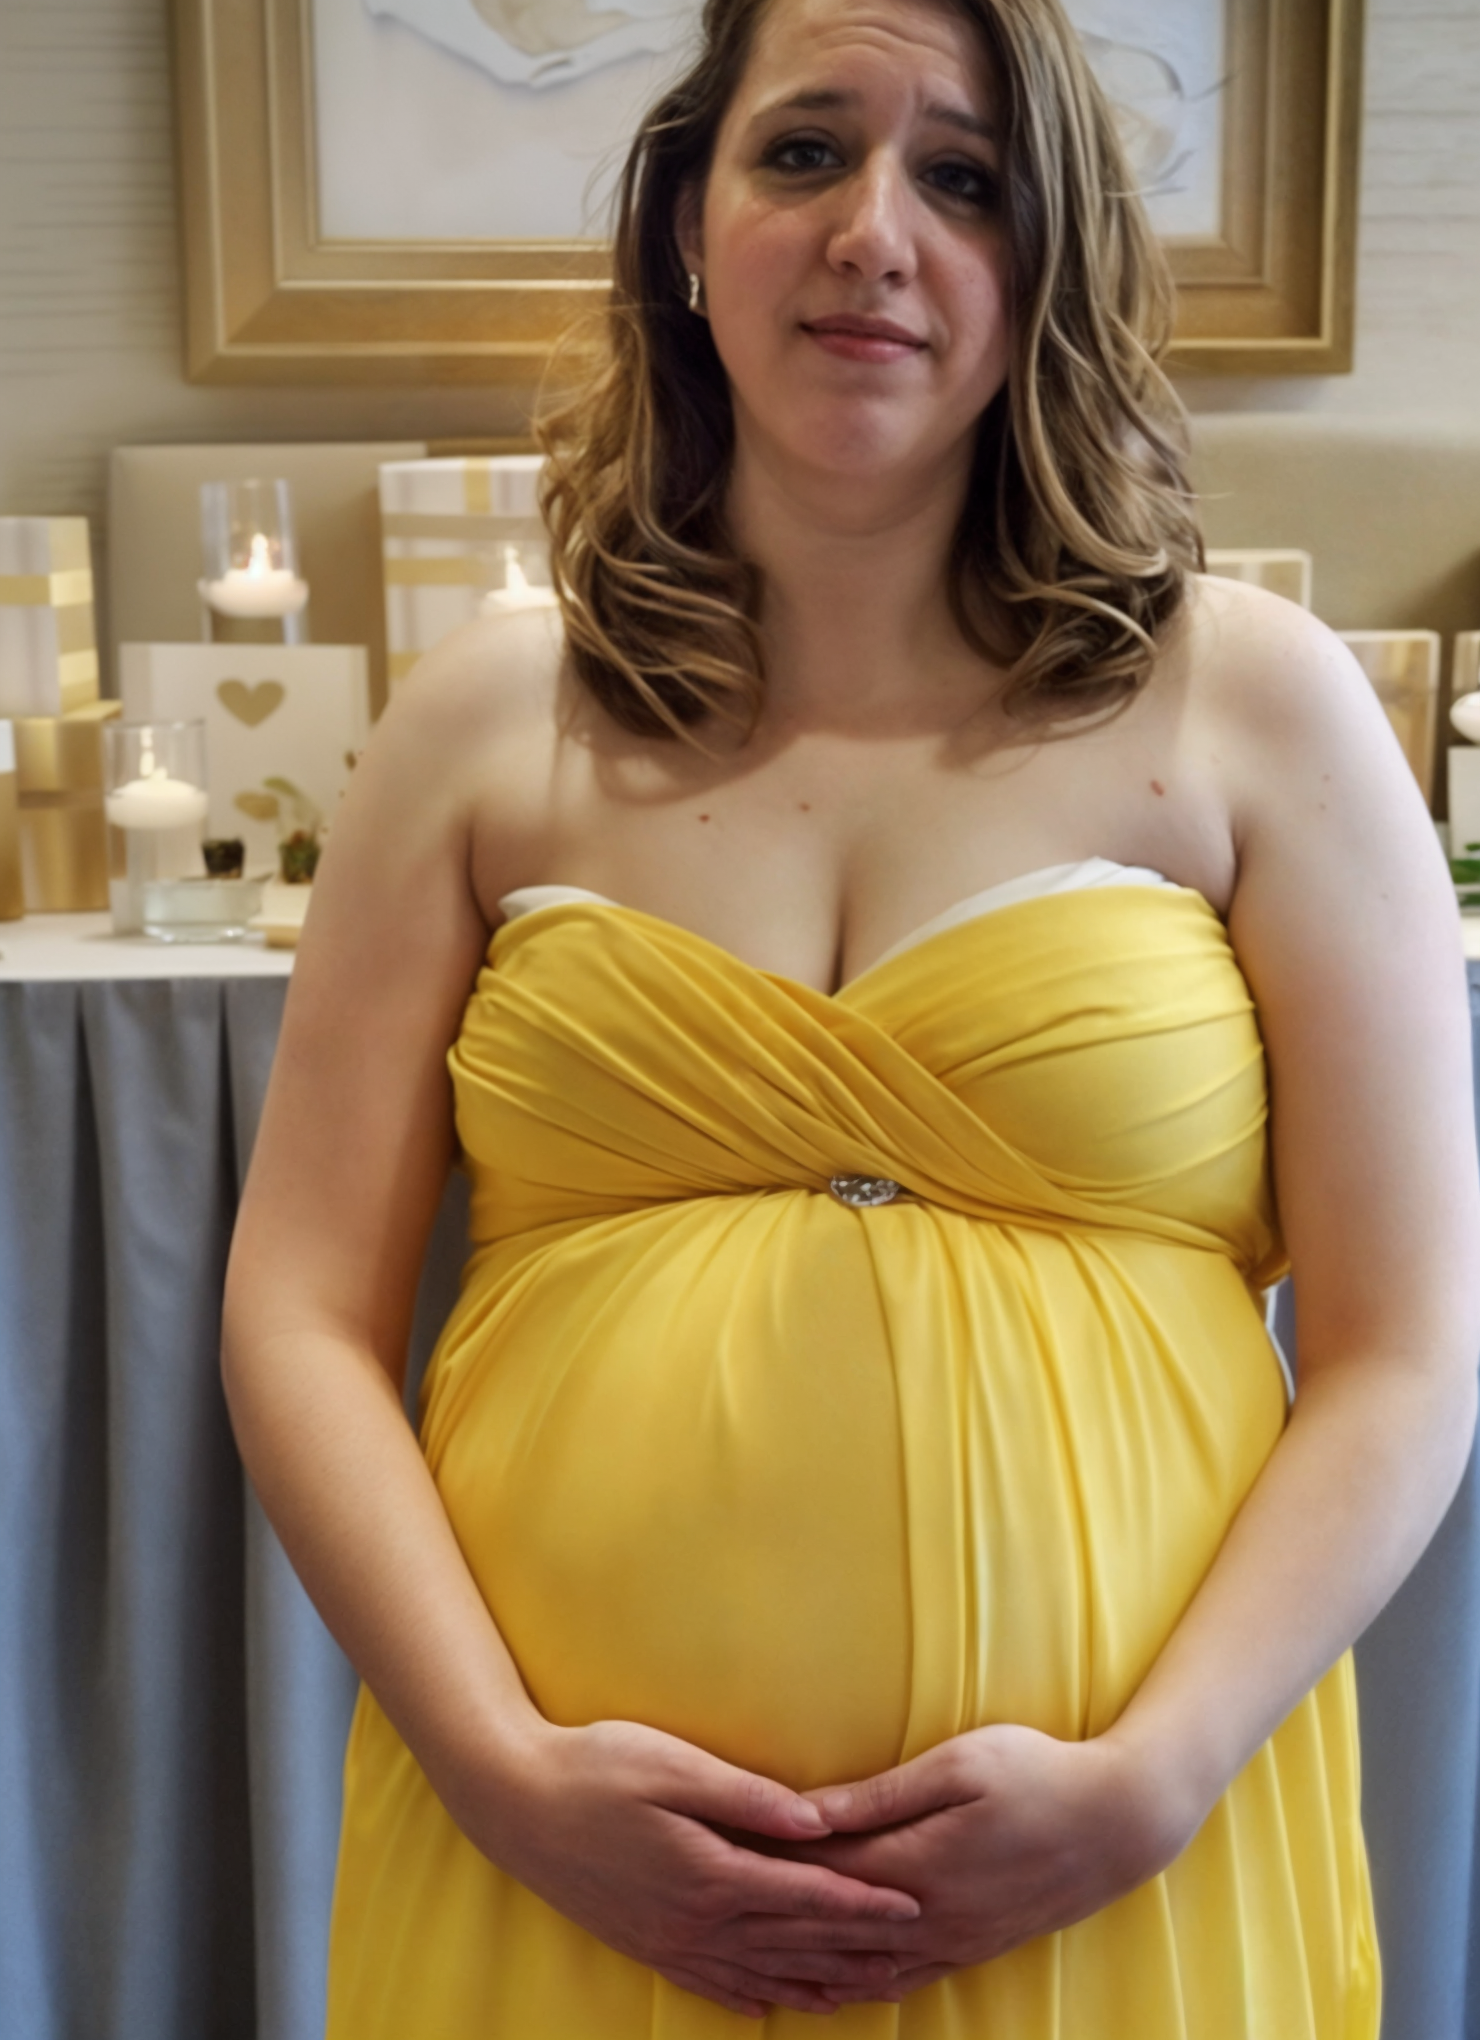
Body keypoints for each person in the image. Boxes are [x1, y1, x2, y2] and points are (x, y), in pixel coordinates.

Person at [221, 0, 1480, 2029]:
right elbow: (296, 1313)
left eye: (962, 179)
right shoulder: (480, 721)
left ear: (1047, 259)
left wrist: (1155, 1777)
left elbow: (1406, 1351)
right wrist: (497, 1767)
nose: (872, 233)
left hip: (1113, 1874)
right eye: (803, 151)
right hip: (564, 1876)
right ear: (684, 227)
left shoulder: (1255, 701)